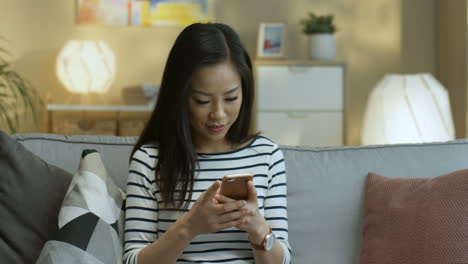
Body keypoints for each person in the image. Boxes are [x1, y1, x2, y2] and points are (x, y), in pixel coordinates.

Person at [124, 22, 291, 264]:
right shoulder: (150, 160)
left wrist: (258, 230)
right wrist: (189, 227)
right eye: (202, 101)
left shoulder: (267, 156)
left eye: (231, 97)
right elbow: (132, 260)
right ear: (179, 96)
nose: (219, 114)